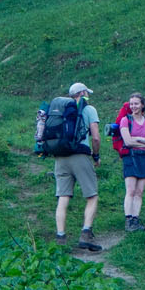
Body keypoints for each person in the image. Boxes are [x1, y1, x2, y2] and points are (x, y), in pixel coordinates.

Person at [52, 82, 103, 251]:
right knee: (92, 195)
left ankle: (60, 237)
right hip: (80, 155)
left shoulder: (60, 111)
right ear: (82, 93)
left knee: (63, 197)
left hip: (60, 157)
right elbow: (95, 137)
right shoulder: (89, 109)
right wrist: (96, 156)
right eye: (87, 92)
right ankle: (86, 234)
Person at [119, 92, 145, 231]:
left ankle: (136, 220)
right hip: (131, 157)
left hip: (144, 157)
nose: (133, 106)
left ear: (142, 105)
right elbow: (128, 141)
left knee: (139, 191)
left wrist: (138, 139)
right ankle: (128, 220)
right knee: (130, 190)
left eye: (136, 104)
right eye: (131, 104)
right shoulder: (125, 120)